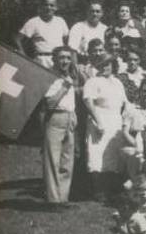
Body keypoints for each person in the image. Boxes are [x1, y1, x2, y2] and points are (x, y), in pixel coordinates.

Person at [82, 53, 128, 202]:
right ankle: (98, 191)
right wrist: (98, 121)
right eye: (102, 64)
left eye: (108, 64)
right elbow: (88, 102)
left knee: (112, 155)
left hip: (115, 120)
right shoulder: (93, 81)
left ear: (113, 65)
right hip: (99, 119)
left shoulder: (117, 82)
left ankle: (111, 190)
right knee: (96, 155)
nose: (105, 67)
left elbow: (124, 103)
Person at [42, 46, 79, 205]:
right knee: (53, 159)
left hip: (69, 118)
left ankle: (63, 198)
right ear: (54, 59)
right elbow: (50, 103)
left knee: (67, 160)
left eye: (68, 58)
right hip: (55, 118)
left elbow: (70, 101)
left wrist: (74, 114)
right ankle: (53, 199)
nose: (65, 61)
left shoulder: (69, 76)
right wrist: (65, 86)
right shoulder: (49, 76)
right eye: (61, 58)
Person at [15, 0, 69, 68]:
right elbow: (17, 39)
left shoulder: (61, 21)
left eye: (52, 5)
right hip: (42, 60)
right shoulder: (33, 22)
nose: (48, 7)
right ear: (41, 7)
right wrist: (22, 54)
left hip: (59, 60)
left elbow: (67, 41)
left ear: (56, 8)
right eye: (46, 5)